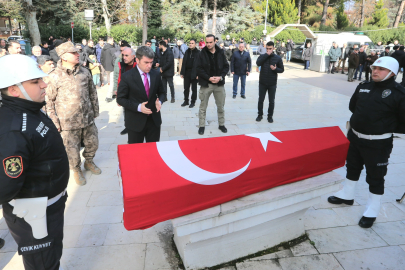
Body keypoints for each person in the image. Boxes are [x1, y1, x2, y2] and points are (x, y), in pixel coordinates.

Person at [0, 54, 69, 270]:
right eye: (35, 81)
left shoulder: (28, 109)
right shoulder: (14, 129)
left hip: (47, 205)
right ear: (13, 89)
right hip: (34, 214)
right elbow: (6, 184)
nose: (44, 84)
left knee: (51, 257)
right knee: (43, 264)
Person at [328, 57, 405, 228]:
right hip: (355, 136)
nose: (375, 71)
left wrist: (383, 126)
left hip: (378, 143)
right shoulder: (364, 86)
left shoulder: (399, 93)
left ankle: (373, 208)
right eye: (374, 68)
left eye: (381, 69)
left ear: (392, 72)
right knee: (352, 167)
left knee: (375, 177)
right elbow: (352, 107)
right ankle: (347, 195)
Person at [45, 42, 101, 186]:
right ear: (63, 56)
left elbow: (92, 92)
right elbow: (48, 102)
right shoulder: (53, 76)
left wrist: (95, 110)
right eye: (74, 53)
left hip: (87, 118)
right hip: (68, 122)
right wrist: (55, 122)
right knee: (72, 151)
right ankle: (76, 169)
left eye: (78, 52)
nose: (78, 55)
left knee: (93, 144)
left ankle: (89, 162)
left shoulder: (84, 72)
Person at [117, 46, 166, 144]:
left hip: (153, 121)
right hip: (135, 122)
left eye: (151, 62)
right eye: (146, 62)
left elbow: (162, 92)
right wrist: (138, 107)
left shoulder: (155, 74)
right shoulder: (127, 76)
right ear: (137, 60)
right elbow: (120, 99)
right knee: (136, 154)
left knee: (153, 152)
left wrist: (160, 101)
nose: (149, 66)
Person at [196, 34, 229, 135]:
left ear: (215, 41)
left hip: (219, 84)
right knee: (203, 107)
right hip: (206, 84)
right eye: (207, 42)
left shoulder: (221, 52)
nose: (209, 44)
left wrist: (221, 77)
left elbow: (226, 66)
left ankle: (221, 124)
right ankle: (201, 126)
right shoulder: (202, 53)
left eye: (211, 42)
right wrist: (208, 77)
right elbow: (199, 68)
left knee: (221, 106)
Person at [256, 41, 284, 123]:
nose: (269, 50)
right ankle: (260, 115)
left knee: (271, 101)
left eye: (270, 49)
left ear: (273, 48)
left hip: (272, 83)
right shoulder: (263, 56)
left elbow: (282, 69)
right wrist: (266, 55)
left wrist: (275, 69)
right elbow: (258, 63)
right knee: (261, 100)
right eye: (267, 48)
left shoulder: (277, 58)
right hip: (262, 82)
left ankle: (270, 116)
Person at [180, 39, 200, 108]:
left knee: (194, 89)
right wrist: (182, 72)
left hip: (194, 73)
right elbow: (184, 63)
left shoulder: (198, 53)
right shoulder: (187, 52)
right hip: (187, 73)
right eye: (190, 43)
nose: (190, 44)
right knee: (186, 88)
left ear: (195, 44)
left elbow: (200, 65)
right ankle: (186, 101)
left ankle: (193, 102)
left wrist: (198, 74)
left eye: (192, 43)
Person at [101, 37, 118, 101]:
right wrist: (115, 66)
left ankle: (113, 94)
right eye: (112, 41)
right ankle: (108, 96)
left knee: (111, 81)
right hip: (112, 67)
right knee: (112, 82)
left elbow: (101, 58)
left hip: (106, 67)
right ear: (110, 41)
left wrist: (104, 66)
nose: (113, 42)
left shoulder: (103, 49)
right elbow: (114, 59)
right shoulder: (112, 49)